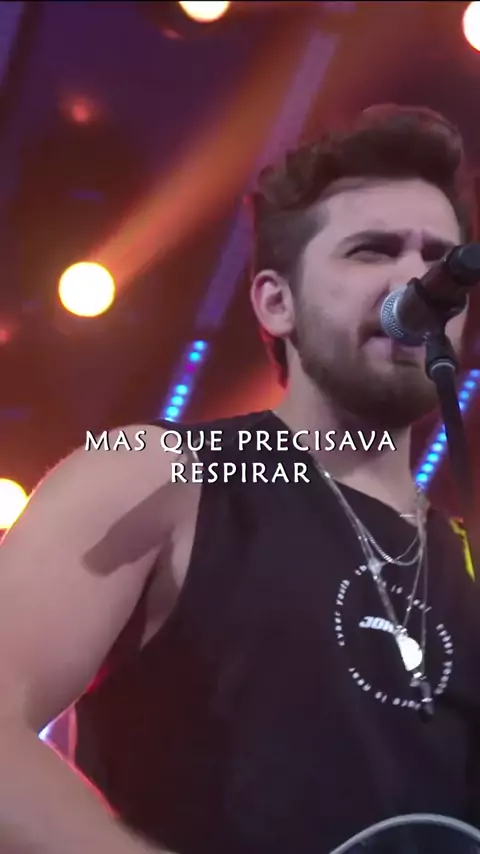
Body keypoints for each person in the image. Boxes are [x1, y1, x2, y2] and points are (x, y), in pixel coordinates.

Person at [0, 103, 479, 854]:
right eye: (373, 250)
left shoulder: (463, 554)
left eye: (442, 259)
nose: (420, 279)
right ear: (276, 303)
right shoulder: (166, 476)